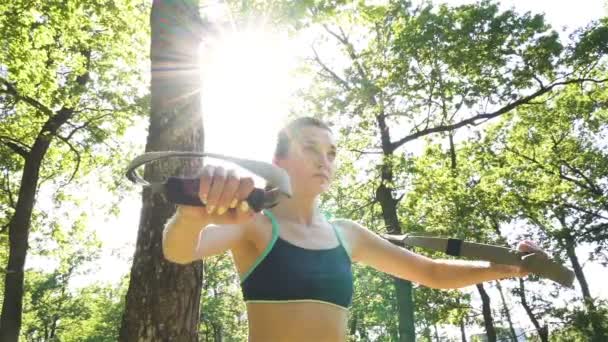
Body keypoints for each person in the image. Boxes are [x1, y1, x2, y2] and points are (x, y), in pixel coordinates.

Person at [162, 117, 543, 341]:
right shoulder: (254, 224)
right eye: (310, 148)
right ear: (278, 160)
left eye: (330, 153)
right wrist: (190, 217)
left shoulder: (348, 234)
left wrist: (505, 268)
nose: (323, 160)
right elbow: (178, 250)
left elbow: (431, 272)